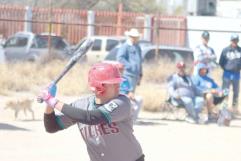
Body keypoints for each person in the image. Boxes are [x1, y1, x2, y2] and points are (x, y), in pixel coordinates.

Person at [37, 62, 145, 161]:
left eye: (117, 82)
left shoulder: (122, 102)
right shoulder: (81, 106)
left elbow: (91, 117)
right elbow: (51, 127)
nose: (118, 85)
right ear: (99, 87)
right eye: (113, 83)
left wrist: (53, 101)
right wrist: (49, 103)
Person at [219, 33, 241, 115]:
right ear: (231, 41)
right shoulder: (225, 50)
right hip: (227, 74)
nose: (234, 42)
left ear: (238, 41)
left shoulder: (240, 50)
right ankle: (223, 109)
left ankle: (234, 109)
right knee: (225, 91)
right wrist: (226, 68)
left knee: (236, 92)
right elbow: (221, 62)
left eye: (236, 40)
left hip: (236, 74)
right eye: (233, 40)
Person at [116, 28, 143, 94]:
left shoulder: (137, 47)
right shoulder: (125, 46)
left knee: (131, 93)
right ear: (130, 37)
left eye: (136, 37)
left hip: (135, 74)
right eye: (134, 37)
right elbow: (120, 58)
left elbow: (139, 61)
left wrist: (140, 73)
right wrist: (129, 66)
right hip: (128, 74)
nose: (135, 39)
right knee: (125, 92)